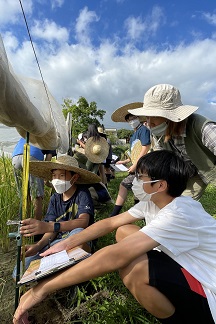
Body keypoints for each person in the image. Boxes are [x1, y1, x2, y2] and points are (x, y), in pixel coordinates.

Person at [13, 150, 216, 324]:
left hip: (209, 290)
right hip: (188, 264)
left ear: (160, 185)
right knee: (124, 231)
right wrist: (67, 243)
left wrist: (41, 289)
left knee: (133, 266)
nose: (134, 182)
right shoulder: (154, 202)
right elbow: (111, 223)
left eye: (141, 177)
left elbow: (114, 256)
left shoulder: (177, 213)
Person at [12, 154, 101, 281]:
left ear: (74, 177)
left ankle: (66, 273)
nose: (56, 180)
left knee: (79, 233)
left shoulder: (82, 193)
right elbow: (51, 231)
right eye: (54, 176)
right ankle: (55, 270)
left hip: (74, 239)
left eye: (62, 176)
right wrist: (38, 246)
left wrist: (49, 226)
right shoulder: (55, 198)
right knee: (18, 272)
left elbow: (83, 221)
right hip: (57, 243)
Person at [128, 83, 216, 200]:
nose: (149, 123)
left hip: (208, 166)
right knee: (181, 204)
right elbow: (161, 159)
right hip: (186, 173)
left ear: (171, 116)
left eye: (154, 116)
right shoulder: (157, 132)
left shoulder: (203, 128)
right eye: (147, 117)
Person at [110, 102, 151, 216]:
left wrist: (135, 165)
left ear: (138, 117)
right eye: (129, 119)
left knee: (124, 185)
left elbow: (145, 147)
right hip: (138, 165)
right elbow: (134, 152)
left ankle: (114, 214)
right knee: (138, 188)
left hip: (143, 166)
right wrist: (124, 161)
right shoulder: (133, 135)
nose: (132, 120)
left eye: (134, 117)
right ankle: (139, 212)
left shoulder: (144, 130)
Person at [12, 137, 56, 220]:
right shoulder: (51, 138)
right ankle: (36, 225)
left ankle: (24, 222)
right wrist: (46, 180)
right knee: (36, 195)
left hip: (15, 157)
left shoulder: (30, 129)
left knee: (24, 194)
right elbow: (47, 162)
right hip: (32, 156)